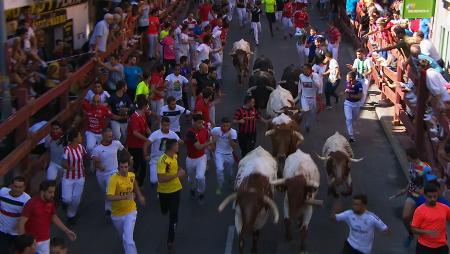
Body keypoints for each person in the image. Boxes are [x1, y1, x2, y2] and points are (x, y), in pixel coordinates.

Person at [18, 180, 76, 254]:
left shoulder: (50, 201)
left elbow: (53, 216)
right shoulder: (31, 204)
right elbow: (21, 223)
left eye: (53, 192)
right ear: (42, 192)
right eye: (50, 192)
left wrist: (67, 231)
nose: (53, 195)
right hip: (32, 243)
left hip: (45, 240)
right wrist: (24, 243)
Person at [107, 154, 145, 254]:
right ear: (118, 167)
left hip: (130, 212)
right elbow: (109, 197)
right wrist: (126, 197)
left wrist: (140, 195)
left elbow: (134, 184)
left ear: (129, 166)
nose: (124, 169)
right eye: (122, 167)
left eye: (126, 167)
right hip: (117, 215)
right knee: (123, 237)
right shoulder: (113, 179)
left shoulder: (131, 175)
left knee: (128, 239)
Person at [156, 139, 185, 251]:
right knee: (164, 211)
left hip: (175, 190)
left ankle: (170, 240)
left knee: (173, 215)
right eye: (177, 145)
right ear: (172, 147)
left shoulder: (175, 157)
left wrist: (180, 170)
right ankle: (172, 219)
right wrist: (177, 174)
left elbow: (176, 168)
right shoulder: (162, 161)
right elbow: (161, 178)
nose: (178, 146)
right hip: (163, 191)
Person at [92, 128, 125, 215]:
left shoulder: (116, 143)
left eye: (111, 136)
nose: (110, 138)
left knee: (109, 190)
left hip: (113, 172)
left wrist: (129, 159)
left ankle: (109, 208)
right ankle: (109, 202)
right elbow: (95, 161)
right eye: (108, 137)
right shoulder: (97, 149)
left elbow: (124, 150)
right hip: (101, 174)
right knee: (105, 191)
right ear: (103, 136)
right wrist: (99, 166)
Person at [411, 183, 450, 254]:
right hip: (424, 247)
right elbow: (413, 229)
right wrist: (427, 232)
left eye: (434, 196)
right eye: (430, 197)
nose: (432, 199)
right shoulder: (419, 210)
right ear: (425, 196)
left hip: (441, 246)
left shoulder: (445, 208)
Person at [185, 114, 213, 204]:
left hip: (201, 158)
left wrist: (211, 147)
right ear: (193, 122)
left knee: (200, 177)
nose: (200, 125)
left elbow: (207, 139)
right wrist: (210, 143)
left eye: (202, 123)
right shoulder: (190, 133)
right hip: (190, 159)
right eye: (198, 123)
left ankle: (201, 193)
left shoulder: (205, 130)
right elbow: (199, 147)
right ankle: (193, 188)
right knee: (191, 178)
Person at [144, 116, 180, 186]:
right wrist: (146, 155)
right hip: (155, 159)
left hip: (167, 160)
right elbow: (146, 144)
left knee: (165, 179)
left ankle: (162, 192)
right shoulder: (155, 134)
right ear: (161, 124)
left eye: (168, 125)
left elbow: (180, 142)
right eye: (164, 125)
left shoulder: (172, 134)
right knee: (154, 180)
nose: (166, 127)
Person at [61, 130, 87, 224]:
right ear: (75, 138)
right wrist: (69, 168)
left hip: (80, 177)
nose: (81, 137)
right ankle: (66, 204)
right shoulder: (67, 149)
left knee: (76, 199)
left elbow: (85, 156)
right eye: (79, 136)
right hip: (68, 177)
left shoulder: (80, 147)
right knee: (66, 199)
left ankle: (71, 215)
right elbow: (63, 162)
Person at [0, 177, 31, 253]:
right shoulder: (2, 192)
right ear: (11, 186)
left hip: (16, 234)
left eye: (20, 187)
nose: (17, 189)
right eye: (15, 186)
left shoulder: (27, 199)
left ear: (24, 188)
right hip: (2, 231)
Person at [127, 95, 151, 187]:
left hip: (140, 145)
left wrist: (151, 135)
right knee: (137, 165)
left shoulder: (142, 115)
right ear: (144, 107)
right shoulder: (134, 117)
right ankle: (134, 184)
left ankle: (137, 184)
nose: (148, 108)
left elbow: (146, 127)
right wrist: (147, 139)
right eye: (147, 106)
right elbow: (135, 133)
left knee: (142, 165)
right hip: (134, 146)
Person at [211, 118, 238, 194]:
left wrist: (230, 140)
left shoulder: (233, 132)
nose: (225, 128)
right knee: (219, 169)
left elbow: (235, 147)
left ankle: (230, 180)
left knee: (229, 172)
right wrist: (213, 142)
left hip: (229, 154)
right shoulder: (216, 130)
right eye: (223, 126)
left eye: (227, 126)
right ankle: (220, 185)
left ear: (230, 125)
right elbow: (209, 134)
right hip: (218, 153)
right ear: (221, 125)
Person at [299, 63, 321, 132]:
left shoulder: (315, 76)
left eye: (306, 69)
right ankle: (303, 119)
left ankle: (307, 123)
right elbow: (300, 85)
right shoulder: (301, 76)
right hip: (304, 97)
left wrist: (312, 79)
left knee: (311, 113)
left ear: (310, 69)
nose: (304, 70)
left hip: (312, 98)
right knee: (306, 110)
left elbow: (318, 86)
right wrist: (299, 94)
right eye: (303, 69)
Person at [343, 71, 363, 142]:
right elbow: (346, 91)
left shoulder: (359, 84)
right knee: (349, 118)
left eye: (347, 77)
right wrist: (343, 93)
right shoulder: (347, 83)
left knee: (354, 119)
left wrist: (351, 96)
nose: (346, 79)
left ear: (351, 78)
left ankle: (351, 130)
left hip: (356, 104)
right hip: (348, 103)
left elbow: (360, 96)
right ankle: (351, 136)